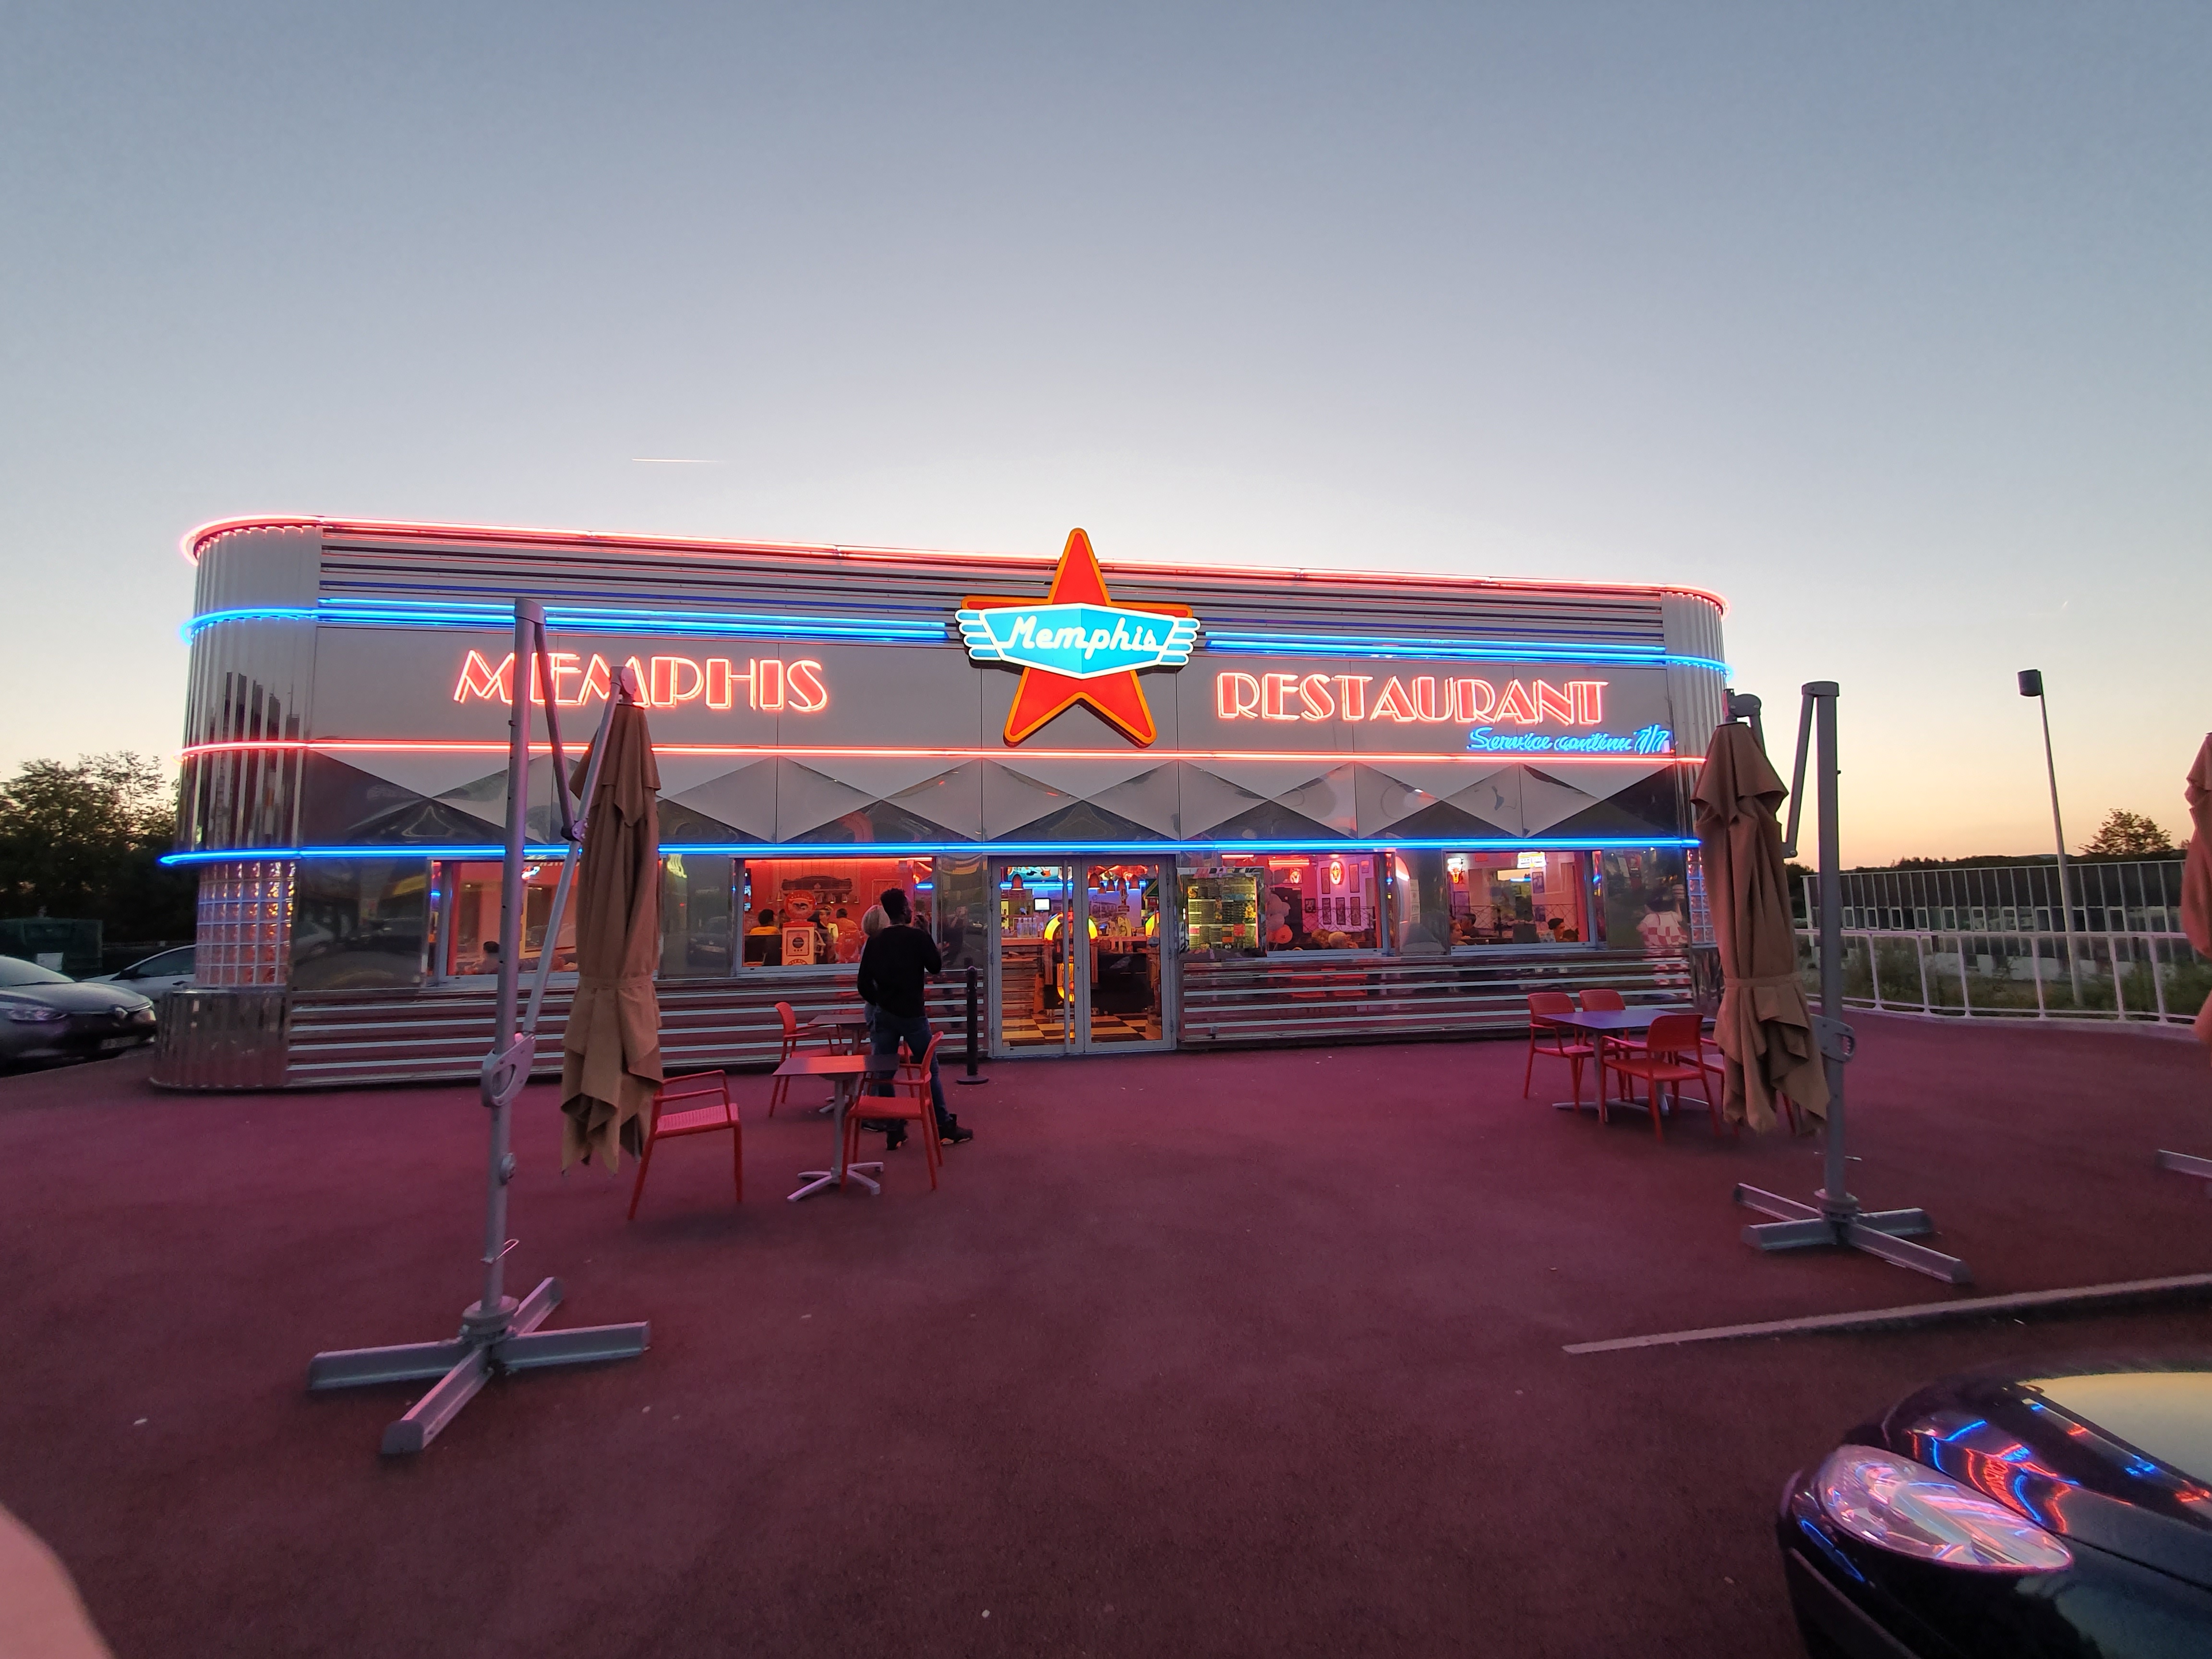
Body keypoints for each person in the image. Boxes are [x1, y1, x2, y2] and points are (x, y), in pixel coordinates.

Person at [856, 888, 970, 1148]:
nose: (912, 909)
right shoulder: (917, 937)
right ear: (904, 910)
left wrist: (881, 1001)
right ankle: (943, 1126)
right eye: (909, 906)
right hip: (913, 1015)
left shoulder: (875, 941)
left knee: (884, 1072)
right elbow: (935, 967)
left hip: (885, 1015)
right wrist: (926, 933)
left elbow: (863, 984)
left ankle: (894, 1129)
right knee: (930, 1069)